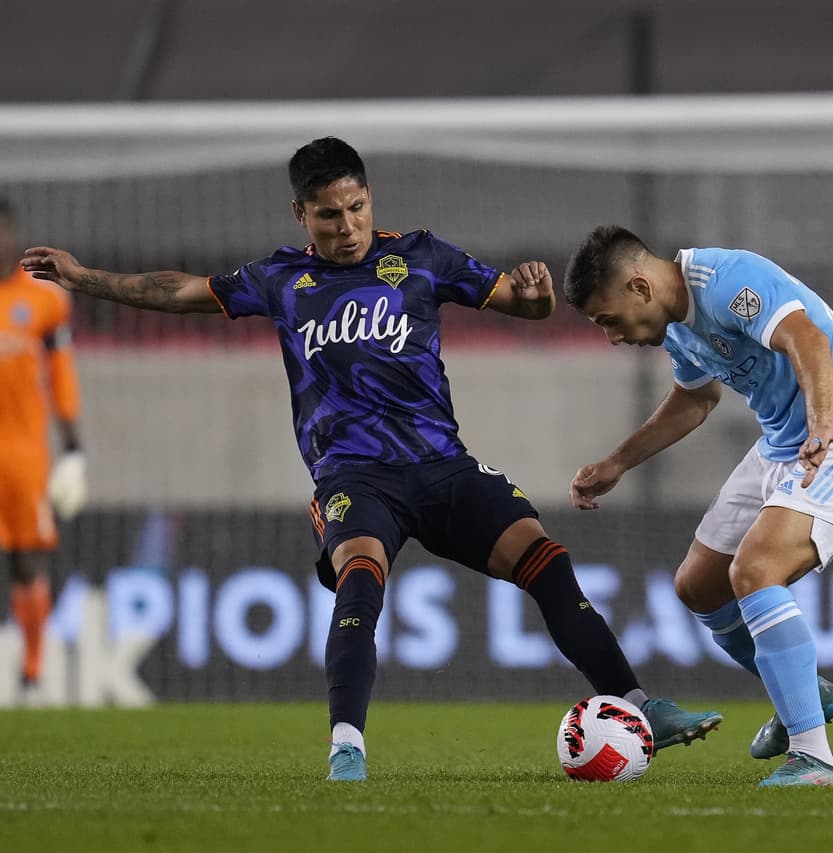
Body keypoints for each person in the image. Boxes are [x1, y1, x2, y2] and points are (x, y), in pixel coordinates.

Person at [21, 137, 721, 780]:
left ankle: (636, 702)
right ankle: (347, 745)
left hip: (442, 465)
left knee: (547, 558)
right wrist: (85, 278)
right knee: (362, 579)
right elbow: (180, 291)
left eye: (357, 207)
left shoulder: (421, 255)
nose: (348, 226)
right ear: (301, 214)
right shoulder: (279, 280)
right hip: (354, 475)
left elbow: (519, 302)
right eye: (329, 215)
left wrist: (535, 298)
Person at [563, 226, 833, 787]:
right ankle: (806, 693)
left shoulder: (727, 281)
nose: (613, 337)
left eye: (608, 319)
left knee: (755, 570)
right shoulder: (674, 324)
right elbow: (697, 398)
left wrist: (822, 423)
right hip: (782, 446)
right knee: (698, 586)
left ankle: (815, 758)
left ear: (639, 287)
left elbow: (809, 341)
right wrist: (619, 462)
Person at [0, 199, 87, 702]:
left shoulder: (42, 300)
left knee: (24, 560)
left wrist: (73, 446)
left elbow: (60, 374)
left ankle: (32, 670)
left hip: (23, 453)